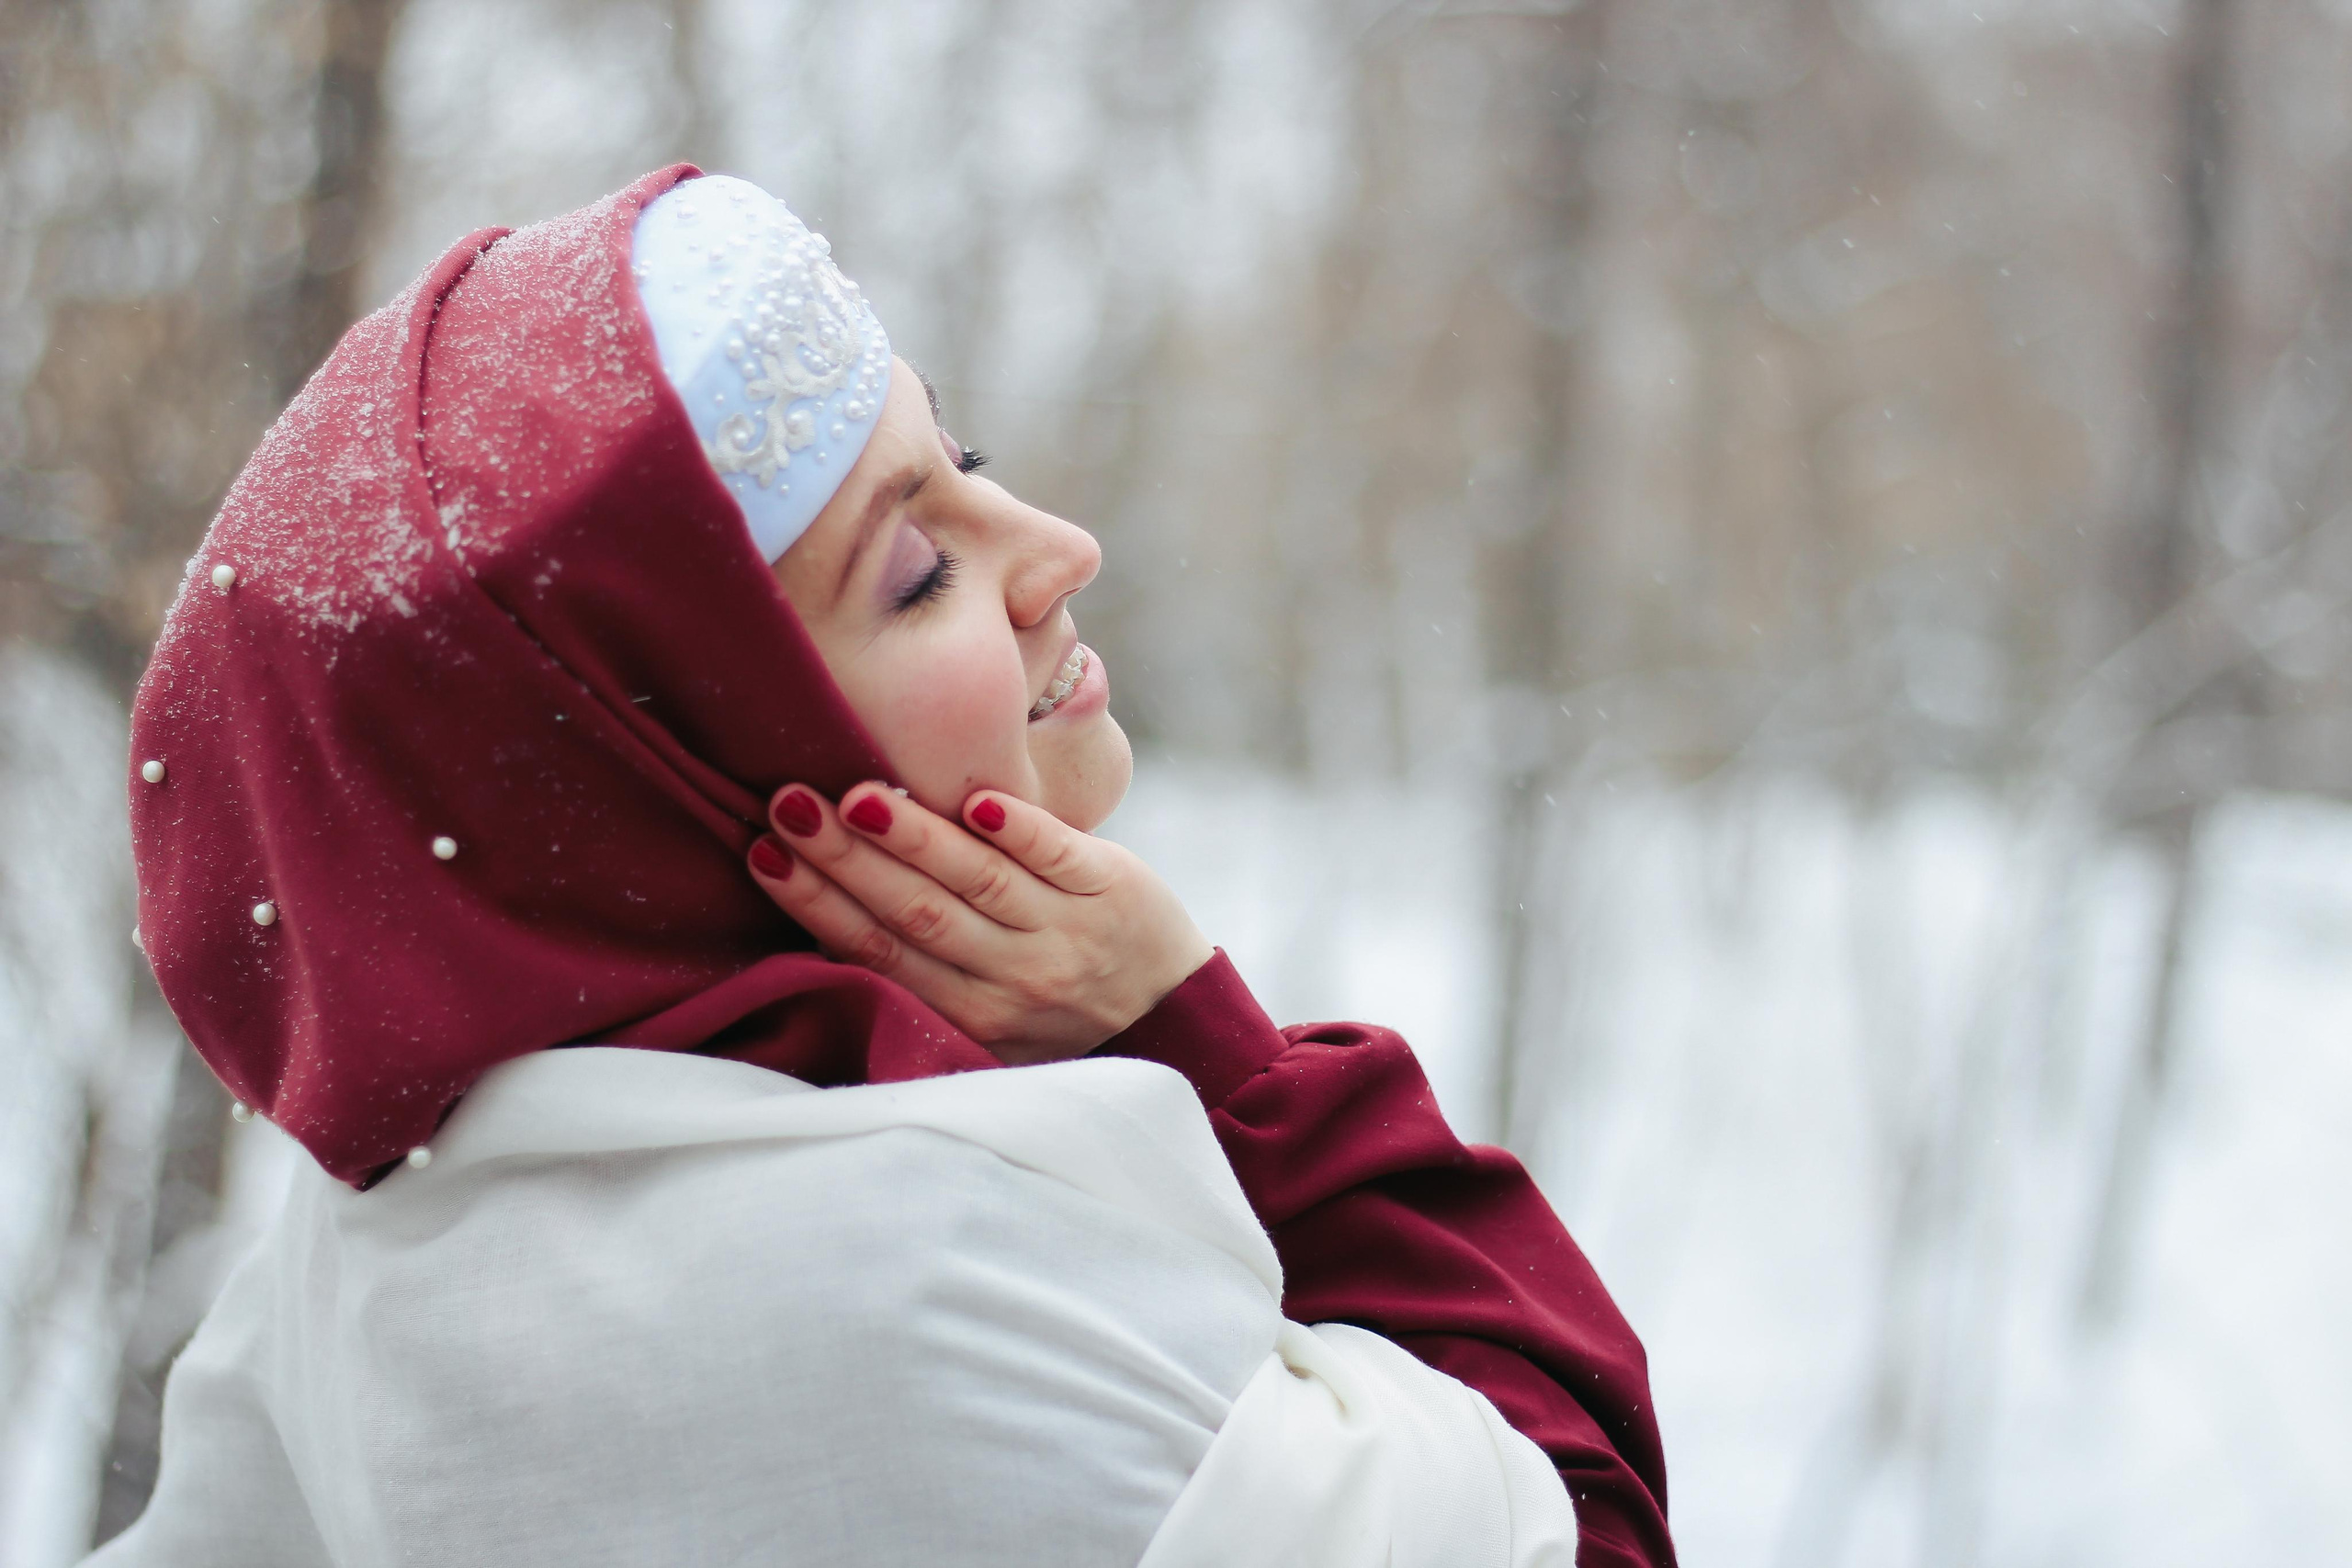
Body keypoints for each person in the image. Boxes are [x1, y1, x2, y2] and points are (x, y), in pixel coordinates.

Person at [98, 166, 1674, 1567]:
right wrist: (1212, 1046)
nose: (1058, 548)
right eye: (916, 570)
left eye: (964, 454)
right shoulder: (925, 1293)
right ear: (670, 781)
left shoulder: (345, 1290)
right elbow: (1578, 1516)